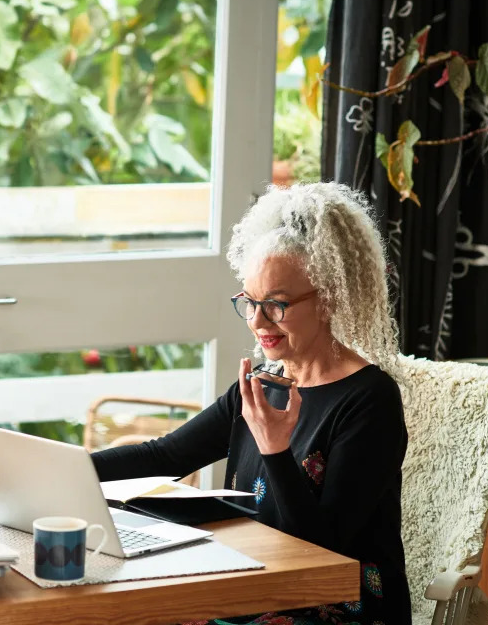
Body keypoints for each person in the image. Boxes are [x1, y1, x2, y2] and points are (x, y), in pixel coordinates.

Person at [91, 182, 411, 624]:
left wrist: (274, 448)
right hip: (251, 583)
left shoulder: (370, 400)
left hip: (334, 607)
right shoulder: (263, 382)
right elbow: (166, 455)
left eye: (276, 305)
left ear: (330, 298)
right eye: (249, 302)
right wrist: (67, 471)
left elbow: (324, 551)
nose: (257, 321)